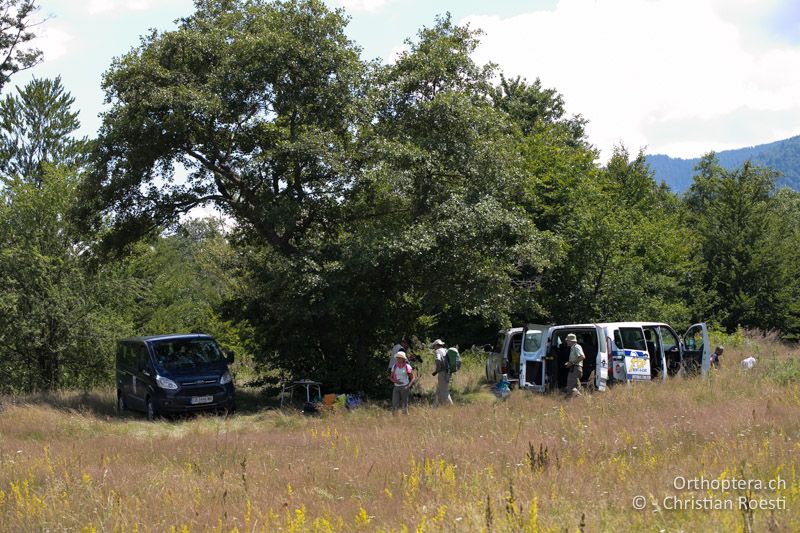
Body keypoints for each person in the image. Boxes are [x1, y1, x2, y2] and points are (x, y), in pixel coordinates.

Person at [431, 339, 453, 406]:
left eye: (434, 346)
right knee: (439, 389)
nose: (434, 348)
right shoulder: (445, 350)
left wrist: (437, 370)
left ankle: (450, 406)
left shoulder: (438, 351)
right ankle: (434, 406)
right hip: (448, 372)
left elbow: (438, 360)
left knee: (444, 390)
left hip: (442, 372)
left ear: (437, 345)